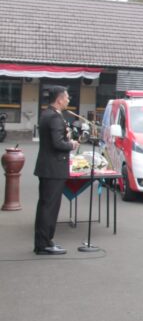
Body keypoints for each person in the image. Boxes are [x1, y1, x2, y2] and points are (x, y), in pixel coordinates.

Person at [34, 86, 78, 255]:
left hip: (48, 167)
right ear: (59, 99)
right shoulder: (54, 117)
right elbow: (57, 144)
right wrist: (72, 144)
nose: (68, 100)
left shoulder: (48, 114)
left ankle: (45, 241)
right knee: (49, 207)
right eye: (67, 98)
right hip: (53, 169)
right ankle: (43, 244)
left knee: (47, 206)